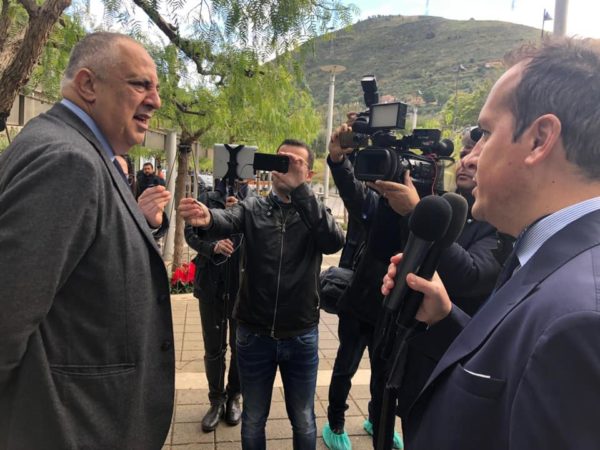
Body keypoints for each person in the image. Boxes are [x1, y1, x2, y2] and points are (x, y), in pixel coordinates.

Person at [382, 37, 600, 449]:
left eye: (485, 133)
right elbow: (516, 367)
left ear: (539, 140)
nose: (469, 158)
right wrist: (445, 317)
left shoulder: (581, 319)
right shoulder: (546, 255)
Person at [0, 32, 173, 449]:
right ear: (88, 85)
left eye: (156, 88)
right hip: (73, 427)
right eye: (140, 85)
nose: (155, 101)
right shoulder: (69, 160)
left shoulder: (73, 147)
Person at [322, 117, 503, 450]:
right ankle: (336, 422)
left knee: (387, 380)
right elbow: (363, 204)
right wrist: (340, 163)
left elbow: (471, 273)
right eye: (465, 153)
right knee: (347, 367)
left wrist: (416, 210)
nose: (468, 161)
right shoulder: (433, 201)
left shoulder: (488, 223)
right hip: (372, 307)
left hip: (433, 336)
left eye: (478, 155)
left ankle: (379, 420)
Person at [179, 139, 345, 450]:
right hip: (254, 334)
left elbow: (333, 242)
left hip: (301, 334)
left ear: (308, 174)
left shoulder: (315, 213)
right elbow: (228, 219)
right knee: (254, 419)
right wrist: (208, 219)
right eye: (280, 160)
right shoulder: (252, 207)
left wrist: (301, 192)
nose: (284, 167)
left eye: (294, 162)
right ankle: (221, 400)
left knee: (303, 419)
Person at [184, 179, 253, 432]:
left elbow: (265, 239)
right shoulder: (206, 197)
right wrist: (211, 247)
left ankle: (234, 396)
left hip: (243, 286)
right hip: (211, 283)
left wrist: (240, 215)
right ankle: (216, 400)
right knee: (213, 346)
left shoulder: (255, 203)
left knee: (240, 345)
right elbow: (190, 234)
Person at [115, 154, 170, 239]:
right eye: (145, 169)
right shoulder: (139, 180)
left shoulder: (157, 180)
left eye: (148, 169)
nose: (146, 170)